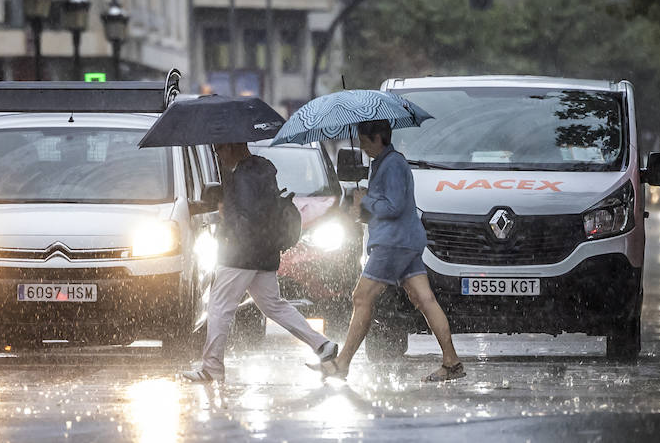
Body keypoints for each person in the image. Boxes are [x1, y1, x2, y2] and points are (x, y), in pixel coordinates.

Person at [180, 141, 339, 383]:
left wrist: (228, 224)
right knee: (273, 305)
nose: (219, 155)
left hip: (241, 254)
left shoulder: (242, 177)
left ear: (233, 147)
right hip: (265, 251)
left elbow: (246, 219)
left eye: (220, 149)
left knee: (219, 306)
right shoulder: (263, 170)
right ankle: (322, 344)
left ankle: (211, 368)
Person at [331, 119, 464, 382]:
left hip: (393, 243)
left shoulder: (392, 164)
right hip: (404, 240)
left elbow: (393, 207)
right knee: (425, 300)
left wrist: (366, 200)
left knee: (361, 297)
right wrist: (364, 207)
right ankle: (452, 362)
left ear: (378, 138)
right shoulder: (382, 163)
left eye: (365, 140)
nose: (361, 145)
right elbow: (387, 206)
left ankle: (341, 363)